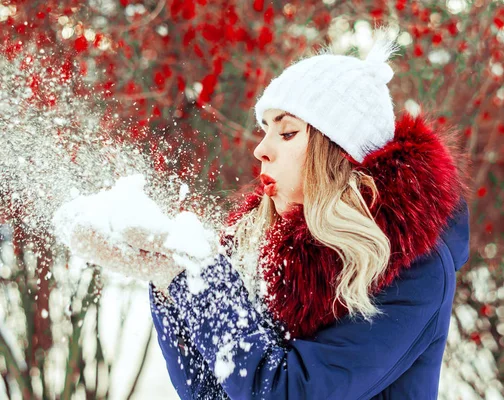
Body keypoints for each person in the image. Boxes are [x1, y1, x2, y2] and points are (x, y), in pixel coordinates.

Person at [65, 29, 470, 399]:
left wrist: (198, 278)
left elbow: (286, 391)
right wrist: (171, 283)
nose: (261, 149)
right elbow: (211, 394)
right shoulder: (274, 255)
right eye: (265, 130)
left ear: (337, 150)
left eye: (287, 131)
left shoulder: (412, 271)